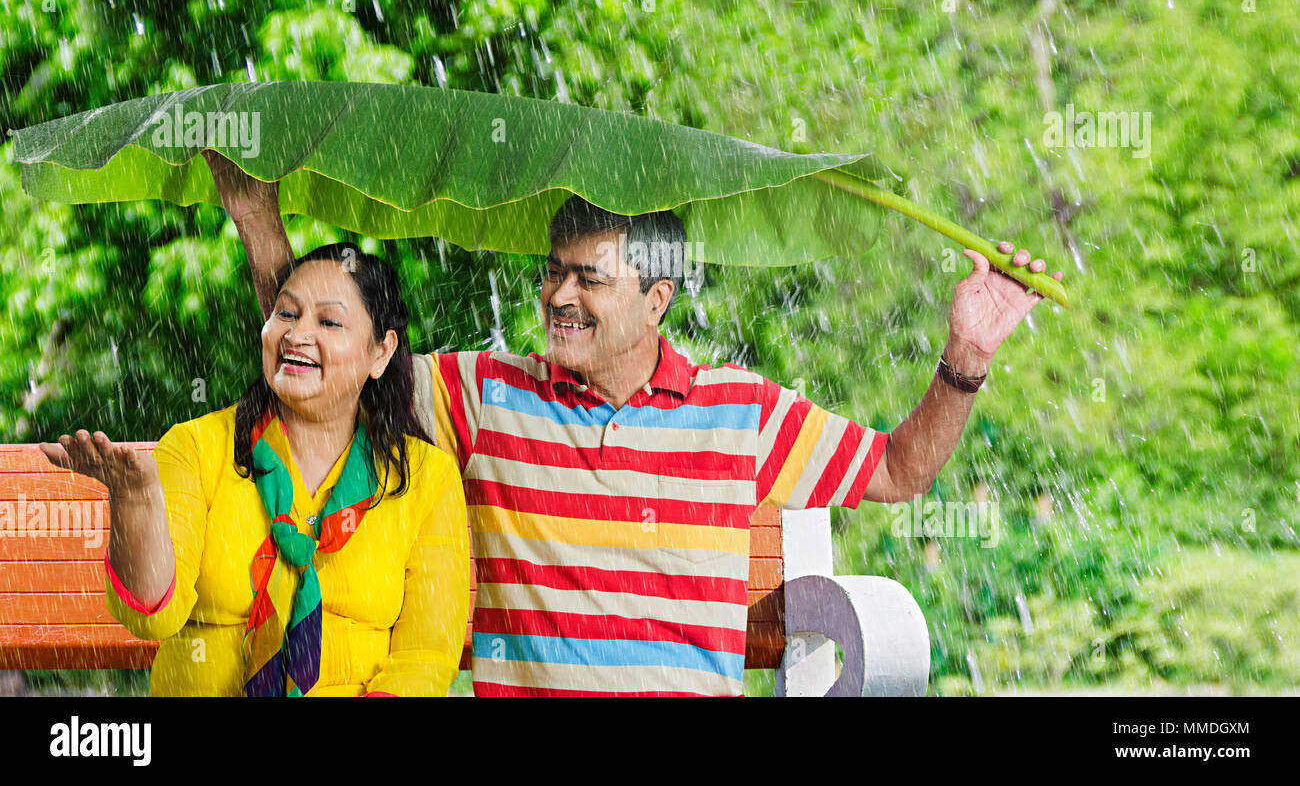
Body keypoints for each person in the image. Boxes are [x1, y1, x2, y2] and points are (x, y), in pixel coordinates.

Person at [207, 152, 1062, 697]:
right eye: (553, 276)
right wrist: (260, 228)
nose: (559, 298)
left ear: (658, 300)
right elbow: (330, 357)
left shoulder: (743, 414)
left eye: (589, 281)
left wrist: (967, 355)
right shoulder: (489, 395)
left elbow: (900, 473)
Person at [39, 244, 471, 696]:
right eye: (286, 313)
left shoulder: (426, 477)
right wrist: (134, 501)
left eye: (328, 321)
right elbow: (150, 615)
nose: (296, 335)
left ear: (380, 352)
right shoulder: (196, 447)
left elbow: (425, 656)